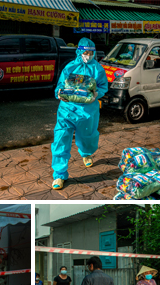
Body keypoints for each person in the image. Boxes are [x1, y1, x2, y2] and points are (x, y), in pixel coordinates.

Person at [51, 38, 108, 190]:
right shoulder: (70, 67)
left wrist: (97, 94)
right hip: (67, 110)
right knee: (61, 139)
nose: (87, 55)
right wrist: (59, 93)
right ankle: (59, 174)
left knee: (87, 136)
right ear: (79, 52)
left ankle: (86, 153)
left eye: (90, 52)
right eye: (85, 52)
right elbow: (61, 85)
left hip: (88, 111)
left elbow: (103, 85)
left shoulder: (98, 69)